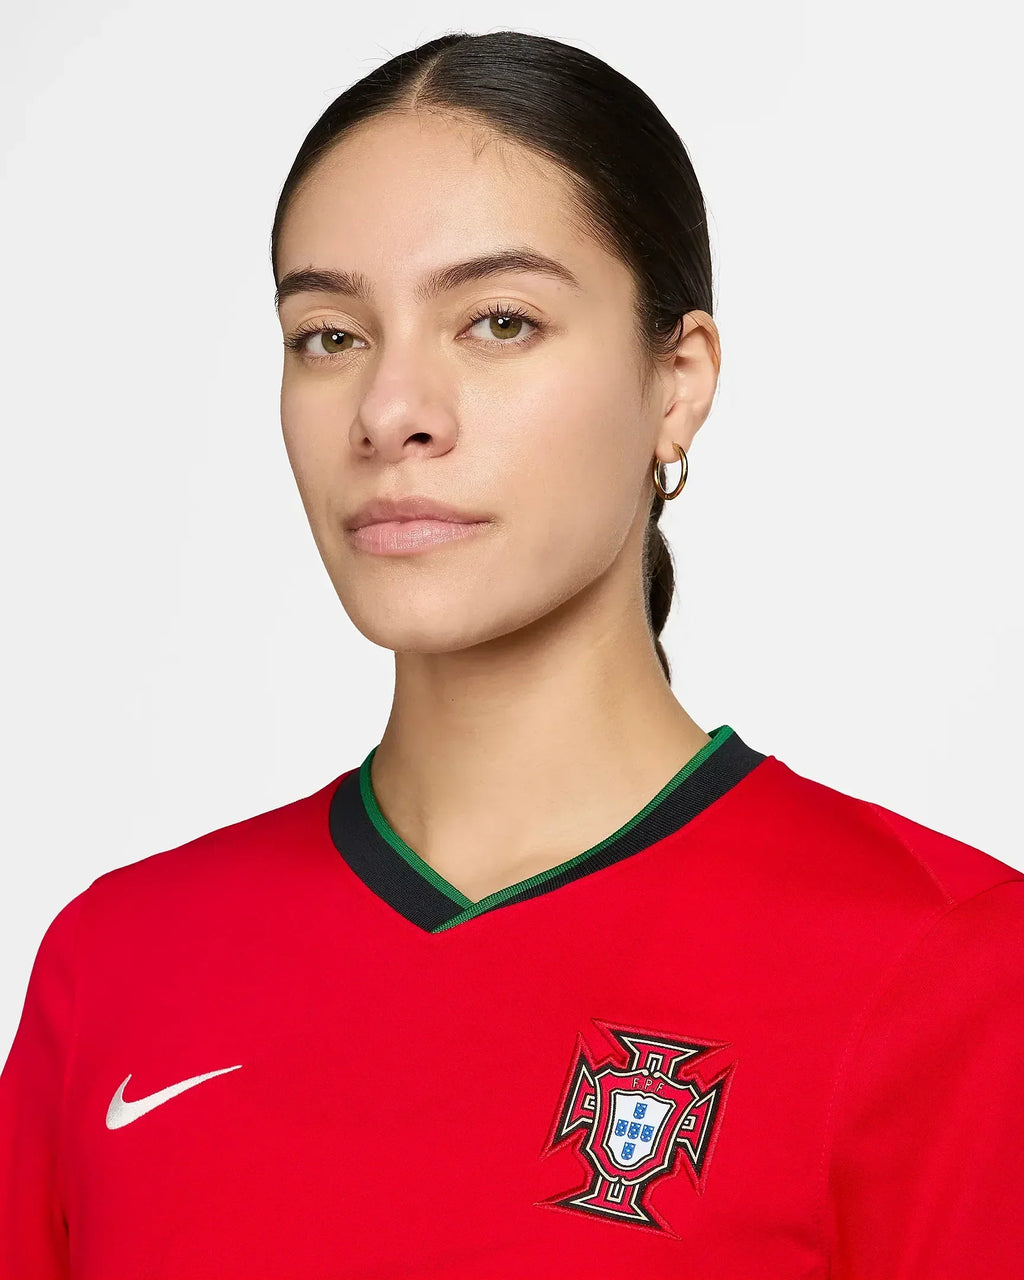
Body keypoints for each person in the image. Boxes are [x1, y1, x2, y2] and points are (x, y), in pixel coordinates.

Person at [2, 27, 1022, 1280]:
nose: (390, 412)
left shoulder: (945, 969)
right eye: (329, 335)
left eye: (498, 321)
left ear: (676, 381)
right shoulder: (119, 965)